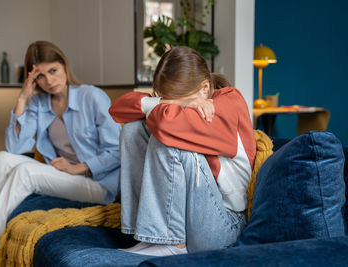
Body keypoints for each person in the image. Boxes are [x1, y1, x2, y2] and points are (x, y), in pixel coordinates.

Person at [0, 41, 121, 266]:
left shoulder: (92, 96)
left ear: (64, 67)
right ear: (33, 79)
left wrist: (78, 167)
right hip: (62, 176)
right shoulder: (39, 102)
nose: (49, 81)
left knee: (24, 172)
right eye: (40, 76)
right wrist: (22, 99)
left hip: (98, 183)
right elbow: (16, 149)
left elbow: (118, 150)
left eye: (53, 71)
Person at [109, 46, 256, 256]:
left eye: (176, 100)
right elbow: (117, 109)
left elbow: (166, 125)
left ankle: (171, 243)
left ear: (205, 88)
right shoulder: (190, 99)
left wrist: (165, 107)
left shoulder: (229, 102)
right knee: (133, 130)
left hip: (224, 225)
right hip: (193, 216)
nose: (171, 106)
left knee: (169, 140)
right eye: (165, 99)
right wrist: (167, 102)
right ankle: (148, 235)